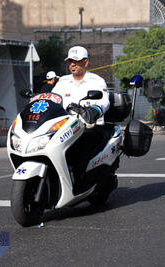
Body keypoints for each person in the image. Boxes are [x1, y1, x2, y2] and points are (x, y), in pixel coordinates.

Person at [52, 46, 110, 190]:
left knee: (80, 148)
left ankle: (79, 183)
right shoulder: (62, 82)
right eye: (70, 61)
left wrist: (93, 111)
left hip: (89, 128)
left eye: (76, 61)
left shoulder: (96, 81)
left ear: (85, 62)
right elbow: (52, 99)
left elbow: (104, 101)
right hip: (64, 128)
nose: (72, 64)